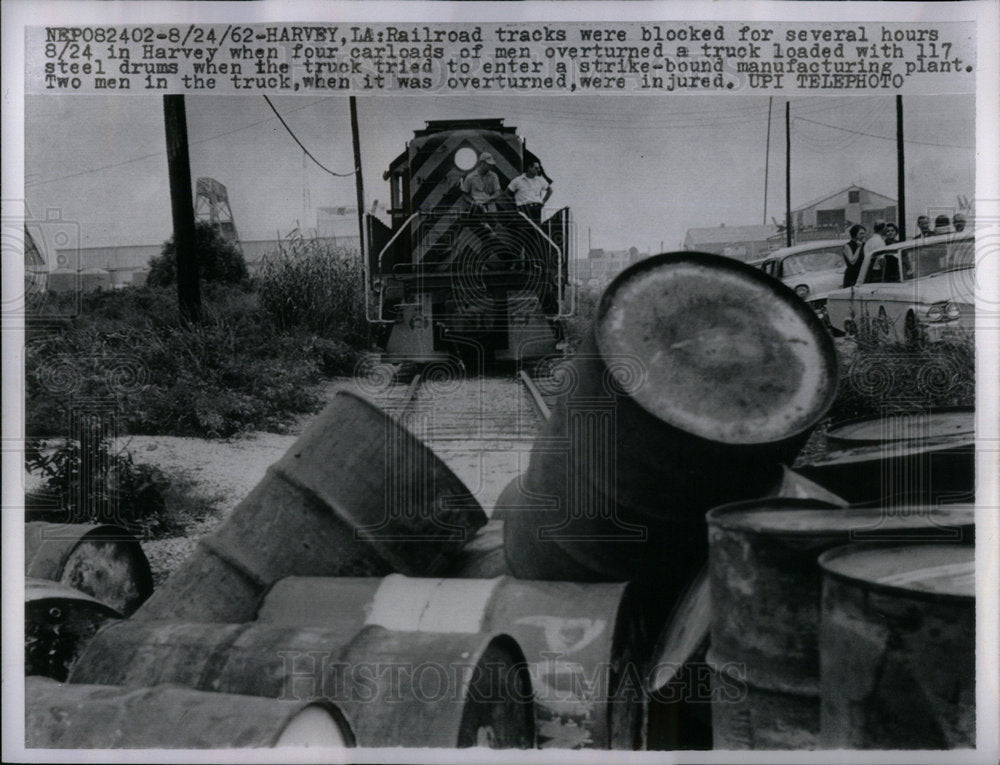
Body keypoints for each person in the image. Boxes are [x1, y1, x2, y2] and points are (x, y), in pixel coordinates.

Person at [460, 152, 503, 234]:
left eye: (491, 165)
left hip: (490, 209)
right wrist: (472, 203)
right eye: (488, 164)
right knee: (479, 231)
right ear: (482, 163)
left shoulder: (494, 176)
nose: (490, 167)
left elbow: (498, 192)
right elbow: (464, 194)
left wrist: (489, 199)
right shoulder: (470, 177)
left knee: (493, 234)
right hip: (476, 209)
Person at [507, 161, 552, 225]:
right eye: (536, 168)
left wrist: (543, 201)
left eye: (539, 168)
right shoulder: (518, 180)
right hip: (524, 208)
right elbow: (507, 193)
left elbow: (550, 190)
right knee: (525, 229)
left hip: (536, 208)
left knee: (536, 230)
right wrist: (514, 205)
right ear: (529, 168)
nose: (538, 170)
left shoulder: (540, 180)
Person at [841, 223, 866, 287]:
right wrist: (859, 248)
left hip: (861, 274)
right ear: (855, 234)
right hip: (852, 276)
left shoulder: (864, 244)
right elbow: (852, 261)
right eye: (861, 233)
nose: (863, 235)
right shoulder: (847, 246)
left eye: (864, 233)